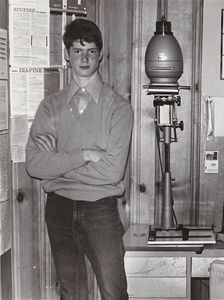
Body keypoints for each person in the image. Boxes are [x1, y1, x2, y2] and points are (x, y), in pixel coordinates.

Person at [25, 18, 133, 300]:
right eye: (77, 50)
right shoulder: (50, 107)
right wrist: (84, 155)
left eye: (91, 51)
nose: (84, 58)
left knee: (114, 292)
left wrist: (57, 168)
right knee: (71, 293)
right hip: (59, 209)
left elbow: (112, 172)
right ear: (66, 55)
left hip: (101, 211)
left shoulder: (118, 108)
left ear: (100, 55)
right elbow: (35, 165)